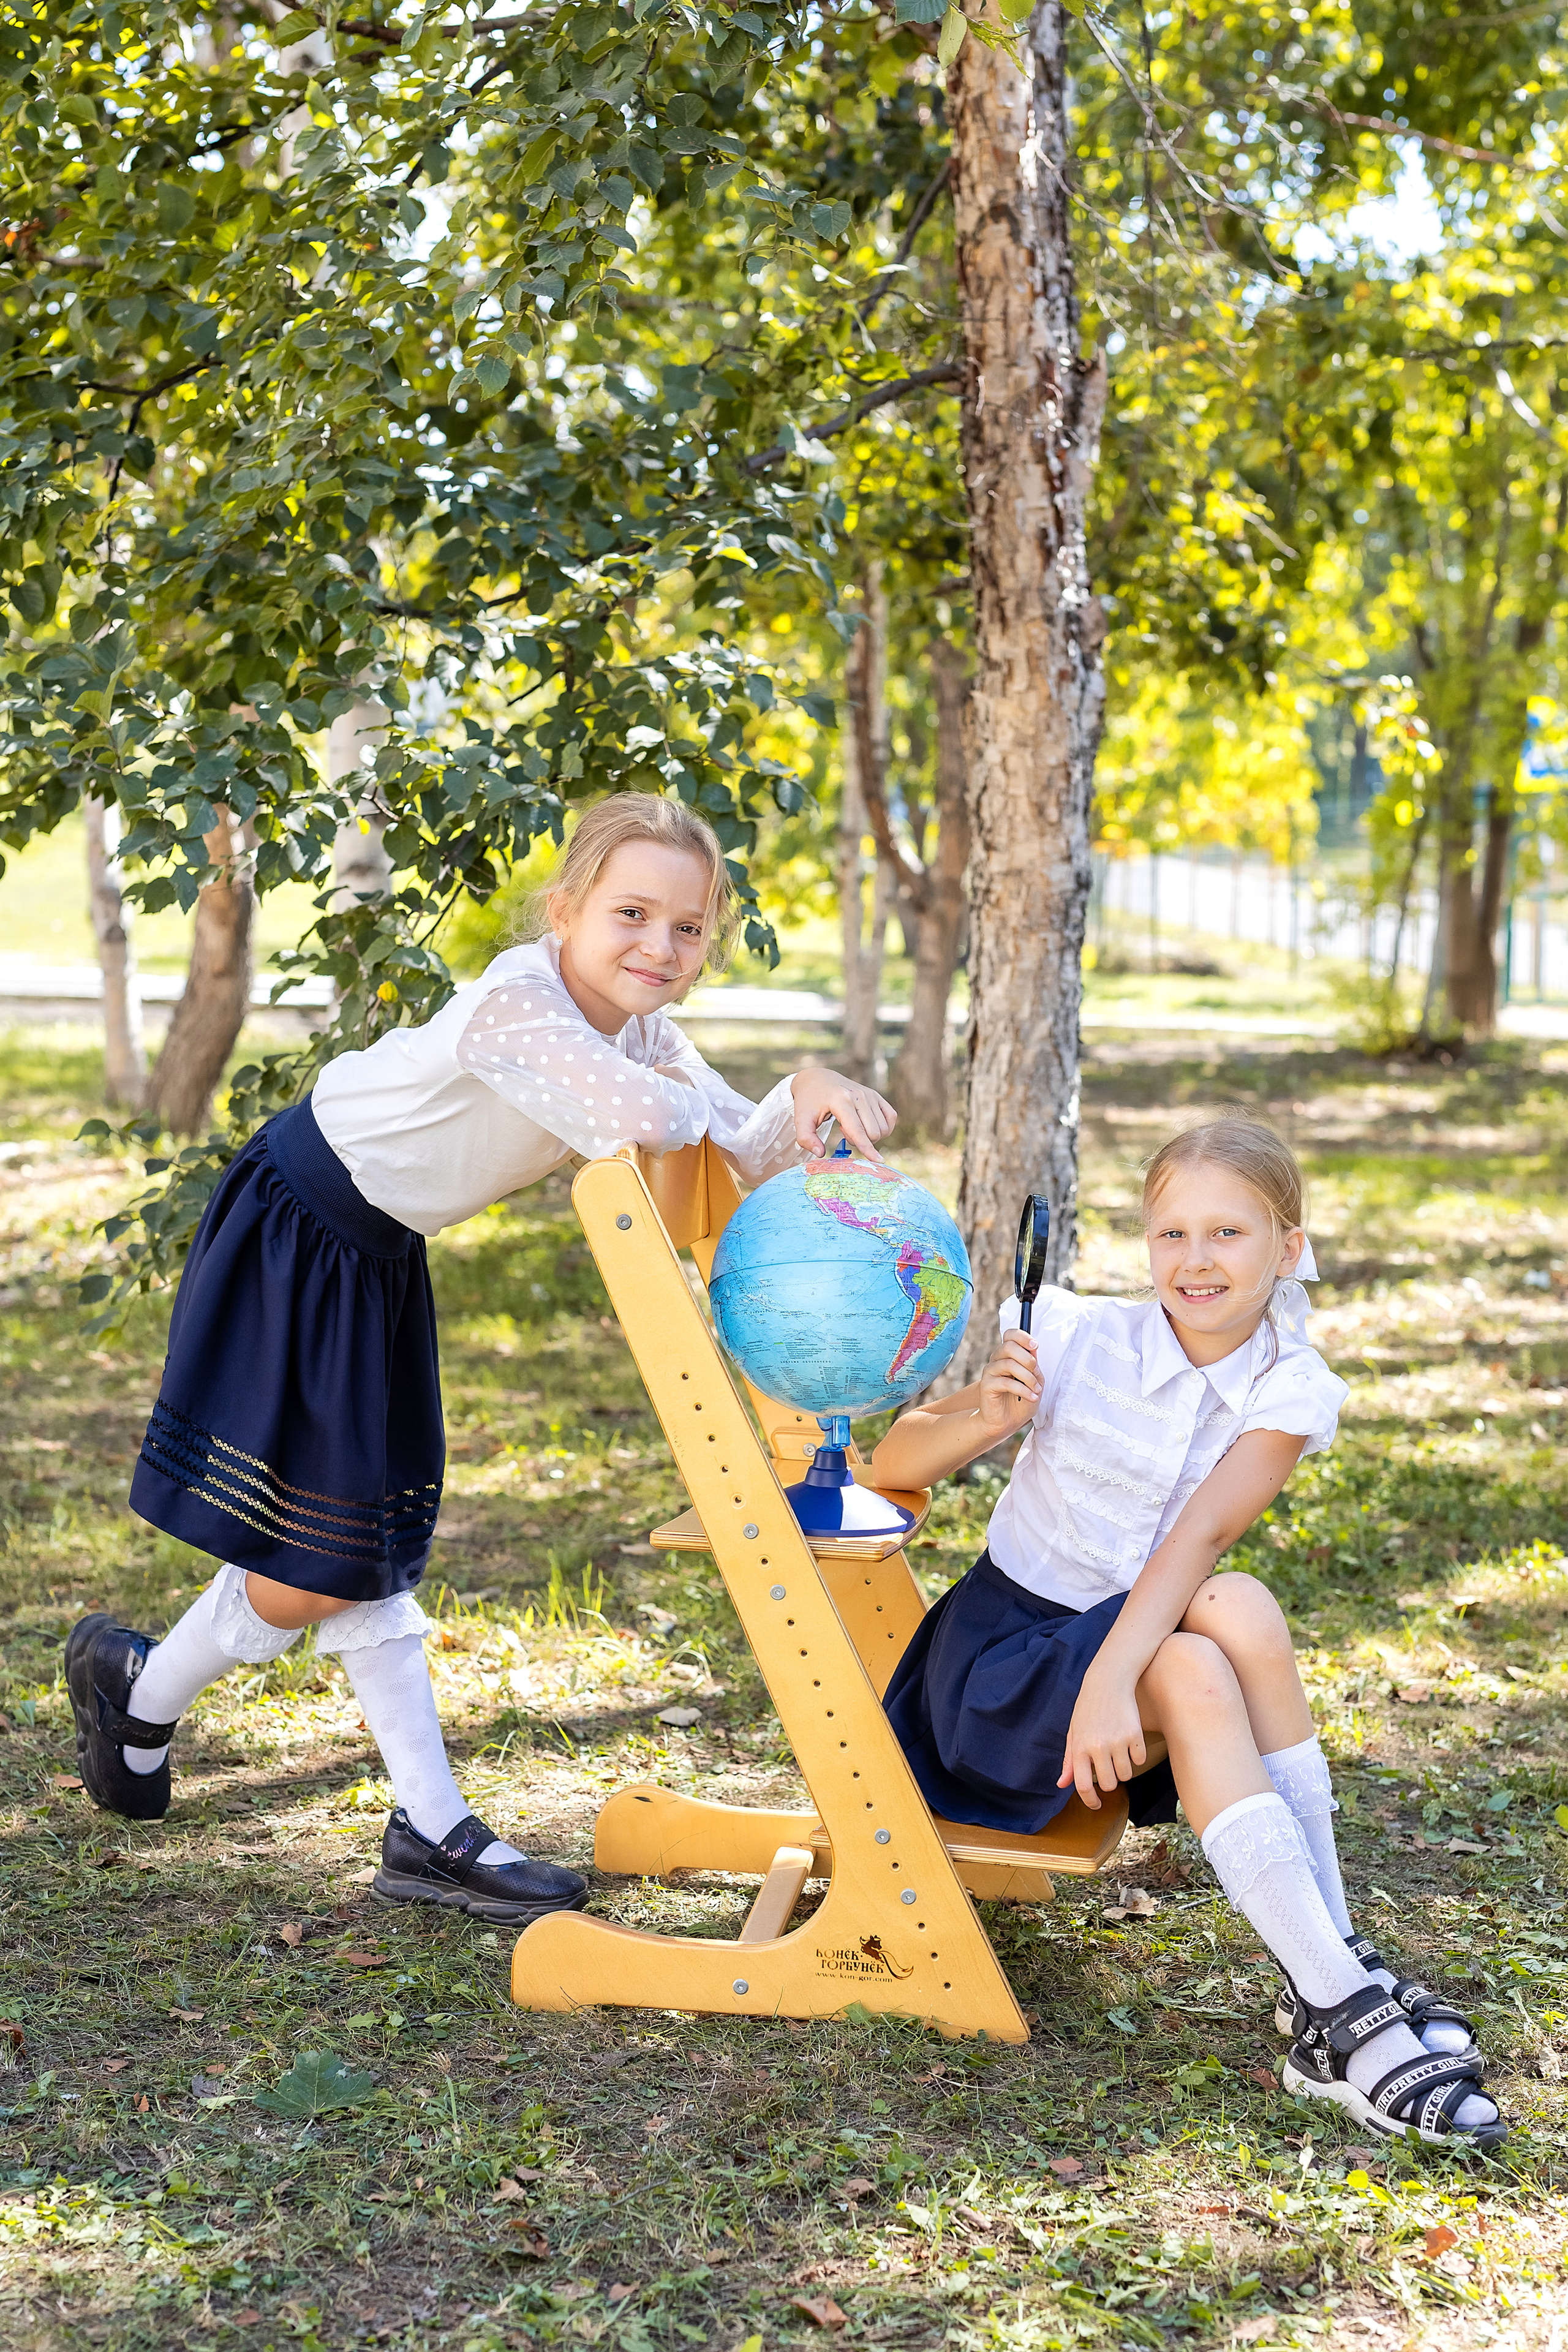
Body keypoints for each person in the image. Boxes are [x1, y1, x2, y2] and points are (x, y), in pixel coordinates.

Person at [67, 793, 897, 1926]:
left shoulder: (638, 1028)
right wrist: (755, 1103)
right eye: (633, 914)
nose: (660, 946)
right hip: (302, 1220)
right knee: (330, 1554)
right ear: (566, 913)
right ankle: (230, 1731)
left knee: (356, 1545)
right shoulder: (518, 1003)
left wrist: (798, 1093)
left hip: (377, 1248)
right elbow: (640, 1117)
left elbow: (734, 1142)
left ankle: (209, 1723)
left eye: (690, 928)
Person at [871, 1117, 1502, 2148]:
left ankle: (1329, 1981)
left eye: (1228, 1234)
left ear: (1286, 1249)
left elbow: (1201, 1537)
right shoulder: (1080, 1336)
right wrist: (986, 1414)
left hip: (1112, 1672)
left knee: (1233, 1604)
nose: (1196, 1261)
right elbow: (888, 1467)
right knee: (1195, 1663)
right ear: (1146, 1243)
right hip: (994, 1686)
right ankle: (1339, 2000)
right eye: (1172, 1235)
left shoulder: (1284, 1387)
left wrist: (1112, 1682)